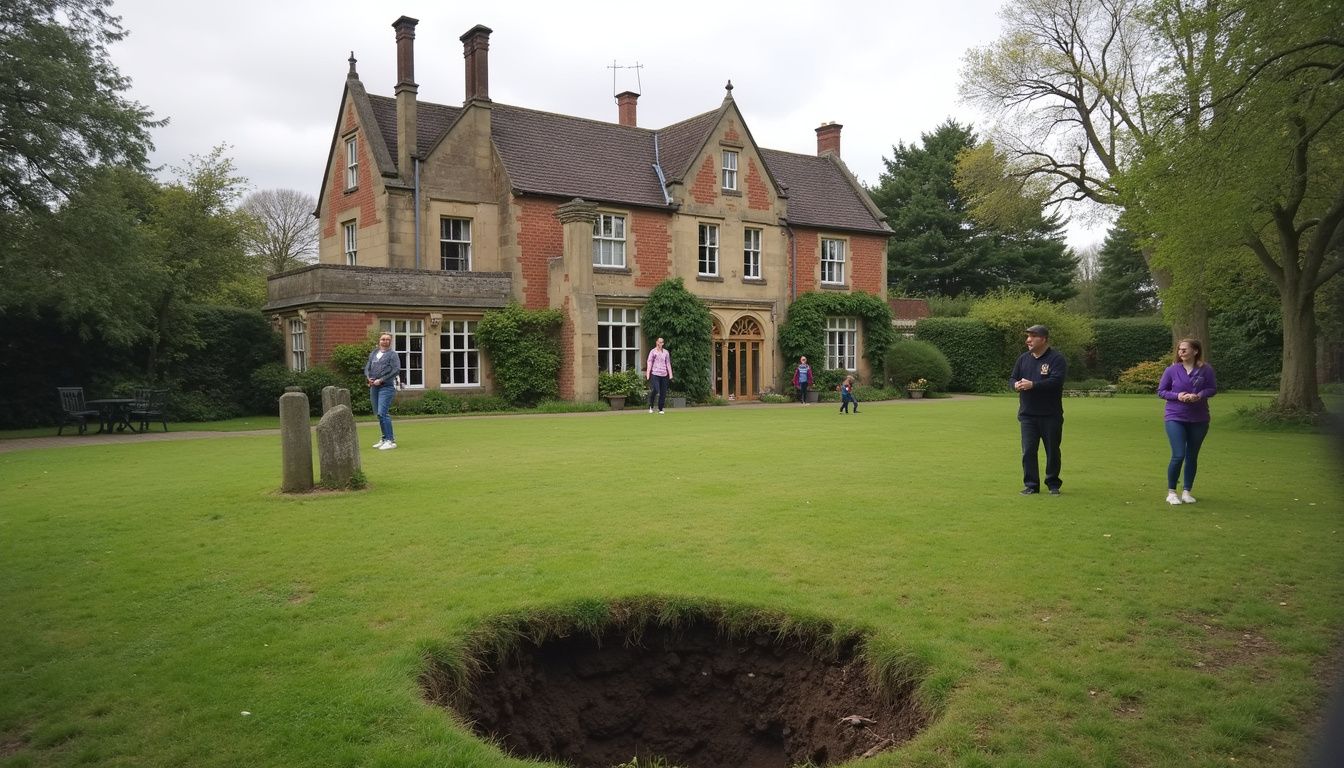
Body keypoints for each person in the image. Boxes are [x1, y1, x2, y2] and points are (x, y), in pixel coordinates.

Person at [1157, 338, 1217, 505]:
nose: (1181, 352)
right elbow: (1161, 391)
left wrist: (1199, 395)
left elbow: (1213, 389)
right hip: (1175, 416)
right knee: (1179, 455)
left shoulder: (1206, 370)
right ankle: (1171, 492)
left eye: (1185, 349)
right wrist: (1178, 396)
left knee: (1192, 456)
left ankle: (1187, 491)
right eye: (1179, 350)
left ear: (1195, 351)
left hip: (1199, 418)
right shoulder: (1171, 370)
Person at [1011, 324, 1067, 495]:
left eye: (1032, 336)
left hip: (1050, 415)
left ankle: (1053, 484)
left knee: (1052, 450)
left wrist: (1033, 385)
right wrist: (1015, 384)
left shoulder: (1056, 359)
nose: (1028, 340)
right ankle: (1031, 485)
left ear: (1043, 339)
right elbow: (1013, 377)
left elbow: (1056, 381)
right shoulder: (1023, 359)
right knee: (1028, 451)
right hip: (1027, 415)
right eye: (1028, 336)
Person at [365, 332, 401, 450]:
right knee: (378, 414)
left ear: (390, 342)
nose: (385, 341)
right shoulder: (374, 353)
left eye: (387, 339)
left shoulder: (392, 355)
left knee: (383, 413)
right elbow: (367, 367)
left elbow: (395, 370)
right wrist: (368, 377)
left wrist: (381, 380)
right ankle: (384, 438)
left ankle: (391, 441)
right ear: (379, 341)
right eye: (383, 339)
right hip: (374, 387)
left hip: (386, 386)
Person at [645, 337, 673, 414]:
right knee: (656, 390)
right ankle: (651, 405)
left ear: (663, 343)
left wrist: (670, 374)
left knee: (663, 392)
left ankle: (661, 408)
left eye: (661, 342)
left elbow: (668, 363)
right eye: (658, 342)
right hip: (655, 374)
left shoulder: (666, 352)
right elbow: (649, 362)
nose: (659, 344)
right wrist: (648, 374)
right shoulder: (653, 352)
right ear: (656, 342)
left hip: (664, 374)